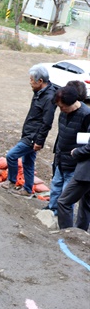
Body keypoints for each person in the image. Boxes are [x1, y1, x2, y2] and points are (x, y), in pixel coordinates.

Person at [0, 65, 56, 197]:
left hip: (33, 136)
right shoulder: (39, 93)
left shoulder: (48, 98)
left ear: (40, 81)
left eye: (32, 80)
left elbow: (47, 122)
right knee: (28, 162)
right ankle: (27, 189)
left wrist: (39, 140)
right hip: (29, 133)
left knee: (11, 156)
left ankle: (11, 181)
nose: (30, 82)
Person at [44, 85, 90, 215]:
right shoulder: (63, 113)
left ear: (71, 103)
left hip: (75, 162)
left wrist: (77, 153)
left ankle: (63, 219)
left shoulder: (86, 115)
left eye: (62, 106)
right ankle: (52, 210)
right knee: (56, 186)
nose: (61, 109)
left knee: (66, 194)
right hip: (61, 158)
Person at [57, 132, 90, 231]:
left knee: (63, 201)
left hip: (86, 172)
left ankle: (68, 234)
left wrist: (77, 152)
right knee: (86, 204)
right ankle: (80, 233)